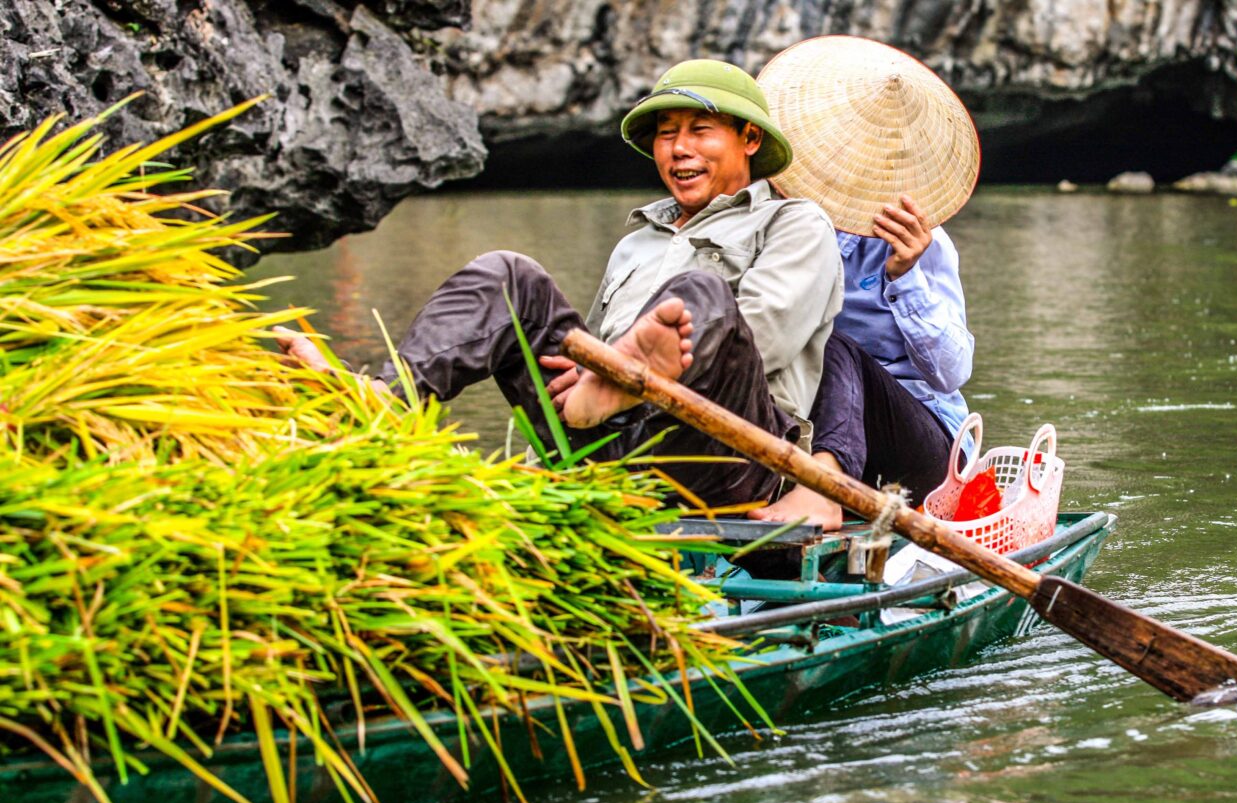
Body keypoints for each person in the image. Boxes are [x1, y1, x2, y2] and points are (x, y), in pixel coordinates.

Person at [281, 60, 842, 508]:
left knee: (699, 295)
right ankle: (380, 399)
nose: (679, 149)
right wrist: (599, 373)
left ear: (748, 139)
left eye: (700, 131)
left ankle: (626, 379)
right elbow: (581, 364)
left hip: (726, 451)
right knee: (510, 275)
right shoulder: (637, 242)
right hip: (606, 434)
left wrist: (620, 372)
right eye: (666, 135)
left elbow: (765, 338)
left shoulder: (794, 222)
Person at [750, 37, 979, 529]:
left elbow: (952, 373)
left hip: (921, 449)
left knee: (834, 345)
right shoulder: (772, 223)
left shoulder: (917, 236)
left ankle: (822, 490)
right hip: (798, 430)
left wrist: (906, 277)